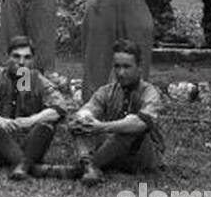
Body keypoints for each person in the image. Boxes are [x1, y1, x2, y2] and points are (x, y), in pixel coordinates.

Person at [0, 35, 68, 181]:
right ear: (7, 57)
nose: (21, 62)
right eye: (16, 56)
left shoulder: (37, 80)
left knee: (48, 120)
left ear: (32, 60)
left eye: (27, 57)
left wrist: (31, 120)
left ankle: (23, 166)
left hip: (27, 146)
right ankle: (31, 167)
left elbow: (60, 106)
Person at [69, 38, 165, 185]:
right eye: (117, 67)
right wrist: (84, 119)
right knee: (78, 123)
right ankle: (90, 167)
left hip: (143, 156)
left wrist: (102, 127)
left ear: (139, 67)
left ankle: (86, 167)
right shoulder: (107, 91)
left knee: (129, 127)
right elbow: (88, 109)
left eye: (127, 67)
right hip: (114, 150)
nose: (121, 72)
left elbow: (140, 124)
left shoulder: (149, 92)